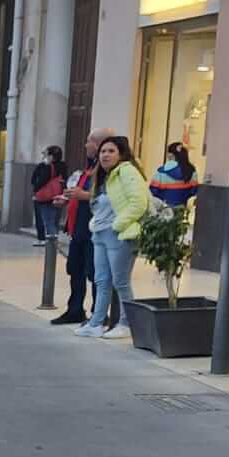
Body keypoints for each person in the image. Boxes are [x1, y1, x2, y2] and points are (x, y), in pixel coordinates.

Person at [78, 135, 148, 340]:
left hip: (120, 234)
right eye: (103, 151)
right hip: (100, 233)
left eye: (111, 151)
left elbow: (139, 202)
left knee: (121, 282)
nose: (105, 155)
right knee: (102, 280)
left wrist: (118, 225)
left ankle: (126, 324)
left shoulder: (127, 171)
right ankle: (96, 323)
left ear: (121, 154)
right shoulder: (104, 176)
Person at [51, 128, 113, 326]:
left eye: (89, 141)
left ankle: (99, 314)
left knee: (95, 273)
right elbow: (84, 192)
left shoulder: (110, 170)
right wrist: (68, 198)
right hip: (78, 227)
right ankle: (75, 309)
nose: (86, 145)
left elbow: (109, 196)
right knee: (75, 269)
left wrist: (83, 196)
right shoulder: (90, 166)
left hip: (95, 229)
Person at [30, 145, 68, 246]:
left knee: (47, 221)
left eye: (46, 154)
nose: (44, 156)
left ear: (51, 156)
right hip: (58, 197)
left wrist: (35, 191)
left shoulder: (47, 166)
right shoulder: (63, 166)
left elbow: (40, 181)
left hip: (45, 198)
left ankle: (51, 244)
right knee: (55, 221)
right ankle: (53, 240)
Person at [150, 142, 198, 208]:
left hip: (164, 209)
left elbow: (153, 192)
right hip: (183, 209)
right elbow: (194, 191)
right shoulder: (192, 170)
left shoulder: (162, 171)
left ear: (171, 155)